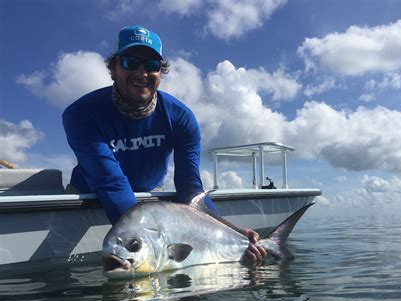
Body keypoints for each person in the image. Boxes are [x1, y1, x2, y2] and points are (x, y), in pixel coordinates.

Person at [62, 25, 265, 263]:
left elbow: (190, 187)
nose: (141, 73)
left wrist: (232, 235)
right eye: (130, 62)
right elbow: (111, 184)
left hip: (149, 203)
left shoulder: (181, 117)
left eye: (151, 65)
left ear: (160, 71)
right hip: (89, 195)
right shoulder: (80, 114)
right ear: (113, 68)